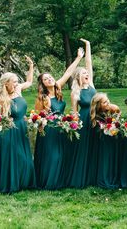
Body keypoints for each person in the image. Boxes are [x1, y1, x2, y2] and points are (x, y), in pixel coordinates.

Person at [33, 48, 84, 190]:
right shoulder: (43, 98)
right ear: (42, 84)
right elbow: (38, 116)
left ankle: (60, 181)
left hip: (61, 127)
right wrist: (42, 125)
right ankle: (49, 182)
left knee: (62, 154)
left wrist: (78, 58)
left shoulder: (58, 87)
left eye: (50, 77)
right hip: (49, 129)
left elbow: (68, 72)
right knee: (52, 156)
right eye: (45, 79)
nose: (49, 79)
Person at [0, 57, 36, 193]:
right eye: (14, 82)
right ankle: (9, 183)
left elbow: (29, 81)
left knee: (25, 158)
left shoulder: (19, 90)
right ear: (7, 83)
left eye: (16, 81)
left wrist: (31, 66)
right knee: (14, 157)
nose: (16, 83)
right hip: (10, 130)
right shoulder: (2, 98)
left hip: (22, 128)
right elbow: (0, 118)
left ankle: (23, 182)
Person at [64, 38, 97, 188]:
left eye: (87, 73)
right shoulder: (75, 93)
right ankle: (82, 177)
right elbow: (74, 111)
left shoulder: (91, 84)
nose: (86, 74)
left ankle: (94, 177)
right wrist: (75, 125)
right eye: (83, 73)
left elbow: (89, 62)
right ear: (78, 77)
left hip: (97, 118)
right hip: (84, 121)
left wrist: (88, 45)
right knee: (83, 149)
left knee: (96, 147)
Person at [90, 93, 121, 189]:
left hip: (113, 138)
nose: (108, 103)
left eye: (107, 100)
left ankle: (113, 177)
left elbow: (117, 117)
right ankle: (104, 178)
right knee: (105, 158)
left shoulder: (112, 109)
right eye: (104, 102)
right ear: (99, 105)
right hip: (103, 140)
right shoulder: (96, 116)